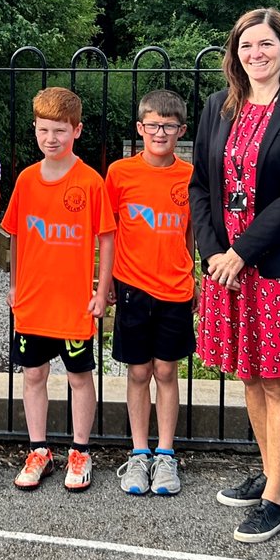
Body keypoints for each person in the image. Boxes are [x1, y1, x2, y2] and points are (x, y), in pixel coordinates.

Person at [189, 7, 280, 543]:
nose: (257, 53)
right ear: (236, 53)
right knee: (249, 371)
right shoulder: (217, 107)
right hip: (225, 263)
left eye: (266, 44)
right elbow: (200, 186)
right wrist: (214, 252)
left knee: (276, 376)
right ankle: (276, 473)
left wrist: (242, 252)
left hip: (275, 262)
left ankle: (275, 498)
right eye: (247, 45)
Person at [1, 87, 115, 492]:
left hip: (74, 304)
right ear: (35, 129)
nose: (52, 138)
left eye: (60, 131)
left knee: (79, 377)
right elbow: (12, 235)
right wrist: (14, 285)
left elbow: (106, 237)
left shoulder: (90, 181)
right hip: (33, 301)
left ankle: (80, 451)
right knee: (34, 375)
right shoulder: (28, 180)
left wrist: (101, 291)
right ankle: (39, 451)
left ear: (77, 130)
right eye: (44, 130)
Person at [105, 89, 195, 497]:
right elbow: (107, 232)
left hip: (176, 288)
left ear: (181, 130)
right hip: (131, 287)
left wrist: (197, 279)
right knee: (139, 372)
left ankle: (166, 454)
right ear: (140, 128)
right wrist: (104, 283)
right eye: (153, 125)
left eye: (169, 125)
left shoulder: (190, 176)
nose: (161, 132)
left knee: (166, 371)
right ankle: (139, 454)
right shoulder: (119, 173)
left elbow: (191, 233)